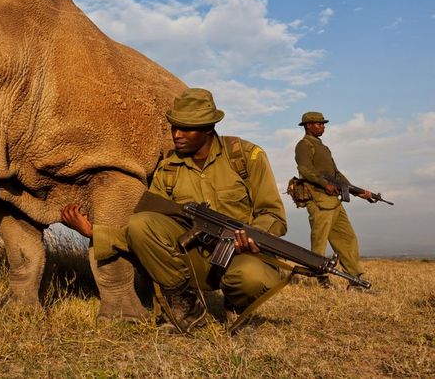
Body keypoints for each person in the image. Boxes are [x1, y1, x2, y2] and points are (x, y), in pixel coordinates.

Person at [62, 88, 287, 333]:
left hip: (242, 254)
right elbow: (141, 232)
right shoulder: (168, 169)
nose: (176, 135)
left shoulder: (245, 157)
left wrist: (253, 235)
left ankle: (236, 305)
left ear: (208, 128)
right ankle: (185, 306)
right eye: (174, 127)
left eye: (186, 128)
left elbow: (274, 216)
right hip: (194, 260)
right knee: (141, 222)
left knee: (251, 277)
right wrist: (94, 232)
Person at [294, 112, 370, 289]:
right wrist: (324, 184)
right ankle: (320, 277)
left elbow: (336, 174)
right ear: (308, 126)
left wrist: (357, 191)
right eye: (318, 124)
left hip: (333, 201)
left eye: (323, 123)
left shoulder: (324, 147)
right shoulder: (304, 145)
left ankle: (355, 278)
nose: (322, 126)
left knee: (347, 238)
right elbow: (305, 170)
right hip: (318, 199)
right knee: (319, 240)